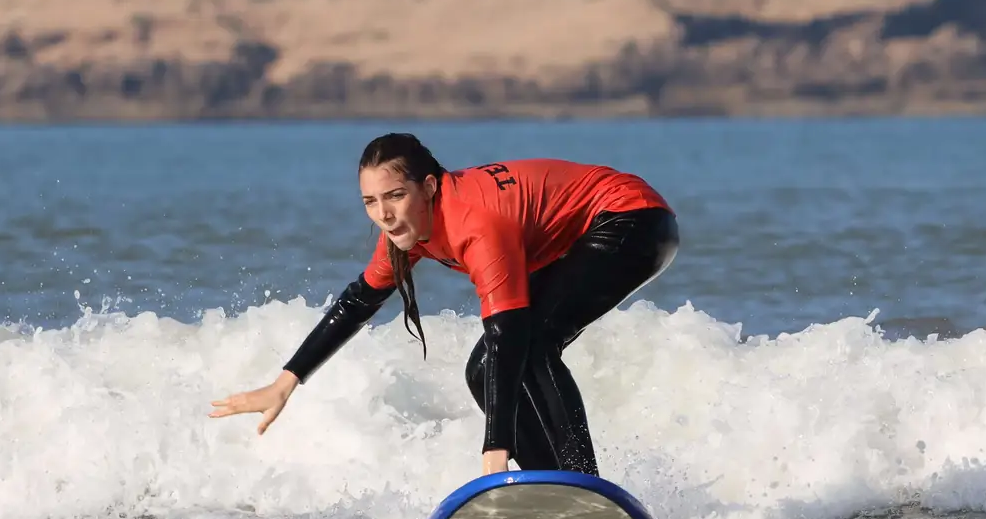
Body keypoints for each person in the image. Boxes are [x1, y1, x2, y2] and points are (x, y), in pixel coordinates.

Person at [210, 133, 679, 478]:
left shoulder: (477, 222)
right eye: (370, 201)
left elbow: (510, 332)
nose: (384, 214)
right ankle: (551, 485)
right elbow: (359, 301)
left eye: (395, 196)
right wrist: (284, 383)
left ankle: (582, 484)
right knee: (482, 369)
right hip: (588, 232)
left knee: (531, 345)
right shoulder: (407, 232)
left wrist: (495, 445)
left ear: (430, 188)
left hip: (630, 220)